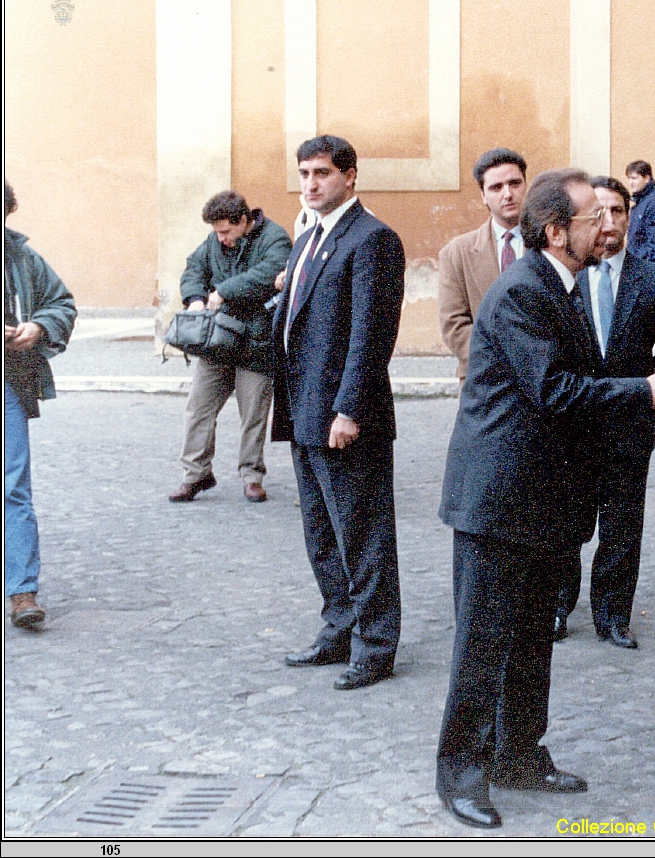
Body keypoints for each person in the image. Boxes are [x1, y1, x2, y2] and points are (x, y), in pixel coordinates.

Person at [435, 169, 655, 829]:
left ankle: (521, 754)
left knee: (529, 642)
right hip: (498, 501)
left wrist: (650, 382)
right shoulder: (524, 292)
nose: (607, 225)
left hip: (541, 500)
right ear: (556, 232)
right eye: (590, 218)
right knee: (483, 645)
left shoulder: (561, 284)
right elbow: (556, 390)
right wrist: (646, 391)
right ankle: (461, 772)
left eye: (612, 216)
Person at [272, 135, 406, 691]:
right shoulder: (309, 237)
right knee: (321, 532)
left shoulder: (372, 239)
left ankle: (376, 644)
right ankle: (338, 630)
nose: (311, 184)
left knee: (363, 534)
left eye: (322, 173)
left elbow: (371, 337)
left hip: (345, 419)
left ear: (350, 176)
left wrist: (348, 409)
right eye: (304, 174)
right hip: (304, 412)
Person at [553, 176, 655, 647]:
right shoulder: (561, 280)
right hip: (571, 423)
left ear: (630, 217)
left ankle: (612, 615)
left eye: (617, 212)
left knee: (623, 523)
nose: (607, 223)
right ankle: (557, 606)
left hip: (629, 425)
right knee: (566, 520)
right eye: (599, 213)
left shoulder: (651, 280)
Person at [168, 191, 290, 504]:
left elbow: (268, 275)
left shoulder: (275, 238)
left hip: (256, 341)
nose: (221, 239)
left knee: (253, 415)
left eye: (226, 231)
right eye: (217, 232)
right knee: (199, 409)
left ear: (244, 221)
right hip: (218, 340)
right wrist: (194, 298)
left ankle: (251, 476)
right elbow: (194, 266)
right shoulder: (215, 241)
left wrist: (222, 291)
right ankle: (195, 474)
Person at [4, 180, 76, 628]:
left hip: (8, 382)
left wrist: (40, 328)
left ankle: (22, 592)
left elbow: (61, 302)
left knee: (13, 486)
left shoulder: (22, 256)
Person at [438, 148, 527, 380]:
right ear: (483, 196)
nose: (507, 194)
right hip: (483, 379)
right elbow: (454, 324)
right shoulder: (457, 252)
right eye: (496, 187)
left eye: (514, 183)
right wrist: (500, 360)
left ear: (526, 186)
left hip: (541, 380)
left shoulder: (550, 243)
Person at [625, 160, 655, 269]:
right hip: (639, 265)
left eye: (634, 178)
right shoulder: (640, 203)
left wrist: (643, 267)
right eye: (629, 178)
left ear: (646, 178)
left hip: (648, 268)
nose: (630, 182)